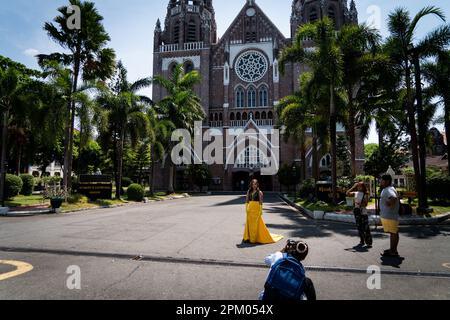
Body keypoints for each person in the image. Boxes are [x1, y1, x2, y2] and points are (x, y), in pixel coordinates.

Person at [243, 179, 283, 244]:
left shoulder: (259, 192)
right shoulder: (248, 191)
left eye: (255, 184)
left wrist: (260, 210)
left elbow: (261, 202)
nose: (254, 185)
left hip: (256, 210)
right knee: (249, 224)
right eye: (253, 184)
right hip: (250, 209)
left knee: (256, 225)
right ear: (251, 184)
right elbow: (247, 200)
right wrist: (246, 208)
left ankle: (255, 238)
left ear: (257, 184)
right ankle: (248, 237)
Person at [379, 175, 400, 257]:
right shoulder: (389, 189)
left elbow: (393, 198)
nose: (380, 182)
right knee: (393, 233)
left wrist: (390, 204)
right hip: (390, 215)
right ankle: (392, 249)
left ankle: (393, 251)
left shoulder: (388, 190)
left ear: (387, 181)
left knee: (394, 233)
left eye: (382, 180)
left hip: (390, 215)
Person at [347, 182, 372, 247]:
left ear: (363, 187)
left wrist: (360, 204)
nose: (359, 187)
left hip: (363, 212)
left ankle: (368, 242)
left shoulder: (365, 194)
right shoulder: (355, 193)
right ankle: (362, 240)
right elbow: (347, 193)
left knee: (366, 227)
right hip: (357, 211)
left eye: (360, 186)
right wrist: (353, 187)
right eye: (358, 186)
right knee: (359, 226)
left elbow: (366, 204)